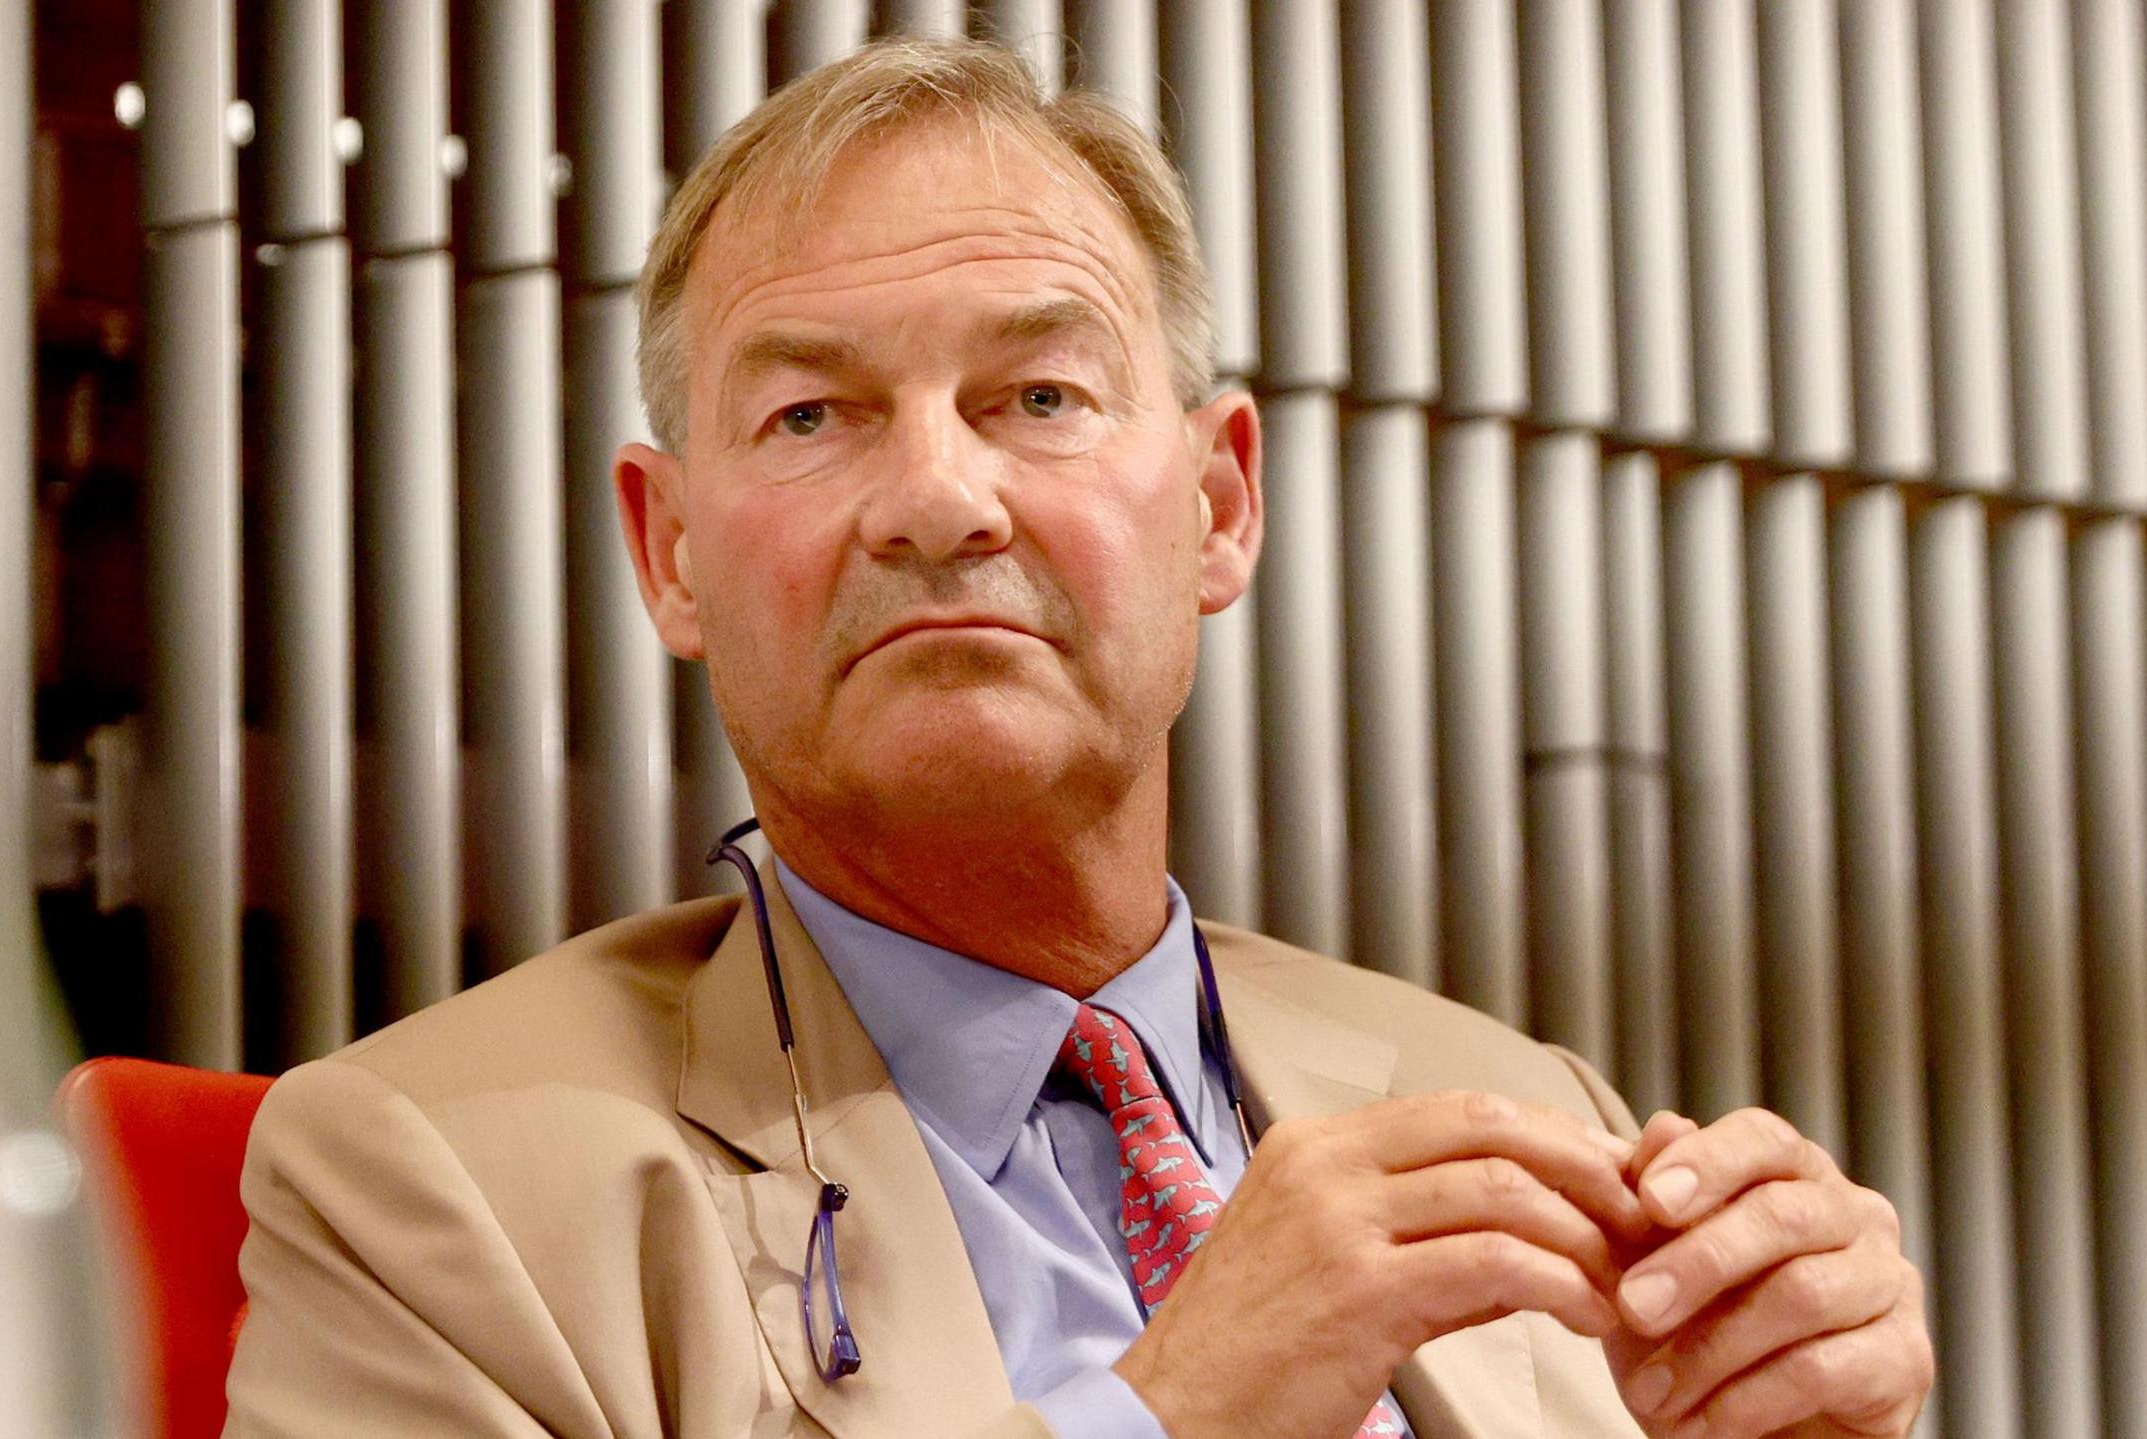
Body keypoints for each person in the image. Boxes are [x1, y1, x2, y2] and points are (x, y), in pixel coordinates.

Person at [224, 37, 1932, 1439]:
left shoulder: (1523, 1109)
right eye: (812, 413)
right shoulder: (427, 1189)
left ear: (1219, 503)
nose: (938, 500)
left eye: (1037, 397)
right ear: (670, 551)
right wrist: (1169, 1415)